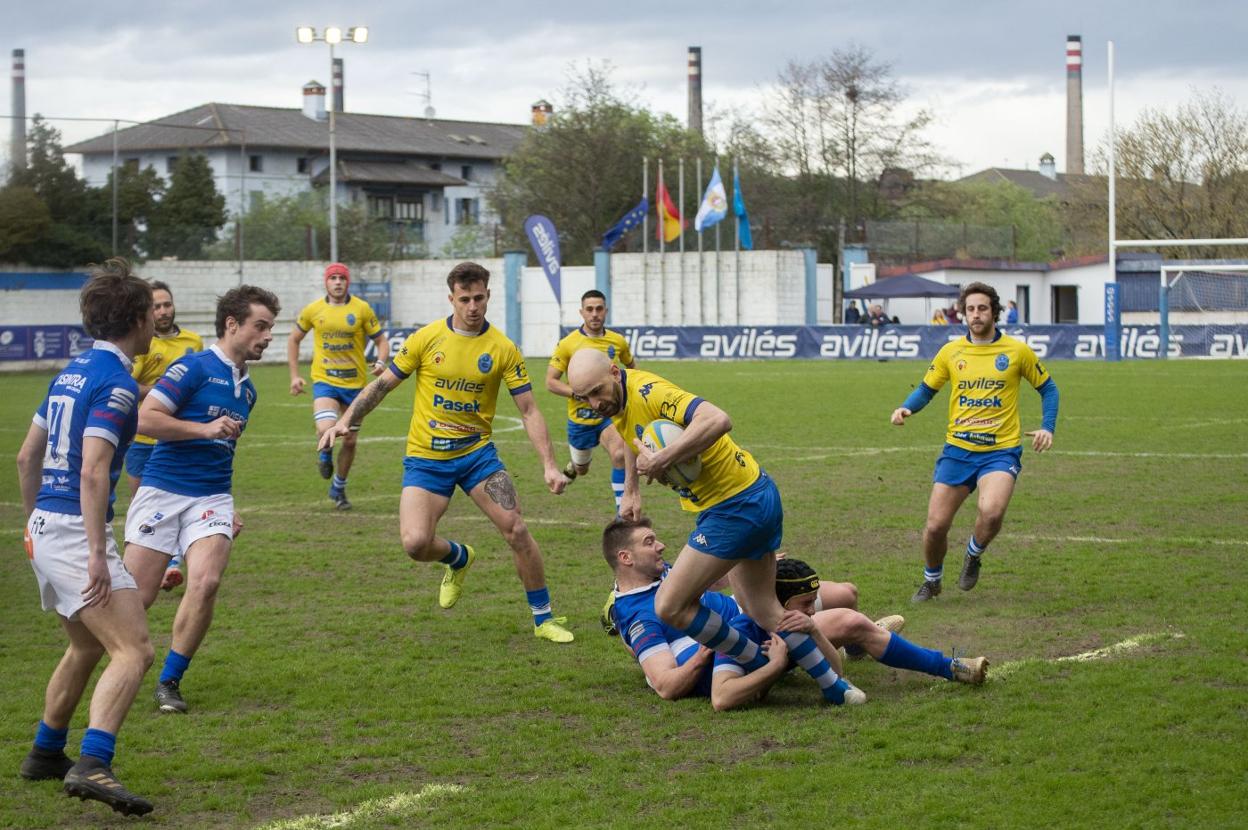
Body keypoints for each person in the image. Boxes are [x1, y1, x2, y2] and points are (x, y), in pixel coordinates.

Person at [567, 350, 858, 705]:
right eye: (585, 398)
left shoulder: (650, 391)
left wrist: (664, 458)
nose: (595, 403)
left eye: (597, 391)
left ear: (616, 371)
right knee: (762, 610)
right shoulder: (620, 402)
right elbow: (633, 437)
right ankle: (835, 687)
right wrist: (631, 489)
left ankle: (754, 662)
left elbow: (718, 419)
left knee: (669, 606)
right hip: (754, 494)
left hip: (733, 506)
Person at [318, 261, 575, 643]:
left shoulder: (503, 348)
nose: (473, 306)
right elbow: (383, 385)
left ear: (488, 296)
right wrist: (347, 419)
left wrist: (550, 466)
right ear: (451, 298)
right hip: (426, 458)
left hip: (477, 457)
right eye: (465, 299)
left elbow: (529, 409)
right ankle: (458, 558)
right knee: (416, 543)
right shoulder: (426, 339)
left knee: (517, 530)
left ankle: (544, 619)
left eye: (479, 298)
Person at [16, 259, 156, 815]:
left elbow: (28, 456)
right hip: (76, 531)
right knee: (134, 649)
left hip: (46, 527)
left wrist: (33, 526)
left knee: (85, 643)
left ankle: (46, 752)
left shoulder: (69, 372)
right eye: (151, 315)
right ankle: (94, 763)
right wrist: (97, 552)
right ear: (138, 319)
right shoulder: (117, 384)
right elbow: (94, 471)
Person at [122, 285, 280, 714]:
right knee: (138, 597)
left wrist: (230, 507)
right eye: (260, 326)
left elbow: (222, 451)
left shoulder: (248, 391)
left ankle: (170, 680)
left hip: (211, 497)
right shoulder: (190, 368)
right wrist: (203, 429)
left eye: (271, 327)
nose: (268, 336)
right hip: (163, 491)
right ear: (232, 324)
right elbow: (146, 417)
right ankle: (112, 664)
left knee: (206, 582)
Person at [891, 281, 1059, 602]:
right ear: (963, 314)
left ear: (994, 311)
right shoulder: (951, 352)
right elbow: (927, 389)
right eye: (970, 309)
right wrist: (906, 407)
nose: (976, 314)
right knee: (936, 526)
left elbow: (1048, 388)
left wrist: (1047, 426)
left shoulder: (1016, 351)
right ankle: (932, 580)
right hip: (958, 451)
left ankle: (973, 554)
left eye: (982, 308)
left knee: (992, 512)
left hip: (1000, 450)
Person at [602, 517, 868, 701]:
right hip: (743, 637)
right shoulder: (640, 618)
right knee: (847, 621)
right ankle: (851, 649)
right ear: (626, 558)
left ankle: (853, 650)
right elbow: (666, 686)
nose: (660, 546)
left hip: (743, 608)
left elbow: (712, 579)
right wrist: (706, 649)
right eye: (649, 542)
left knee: (845, 593)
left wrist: (750, 567)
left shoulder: (659, 572)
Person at [709, 558, 989, 711]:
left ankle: (948, 667)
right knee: (852, 621)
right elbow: (721, 698)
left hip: (788, 648)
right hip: (773, 660)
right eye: (805, 604)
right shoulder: (739, 634)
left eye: (813, 602)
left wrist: (815, 630)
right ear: (780, 604)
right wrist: (775, 666)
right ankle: (869, 639)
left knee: (849, 605)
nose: (811, 610)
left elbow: (836, 674)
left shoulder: (800, 621)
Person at [288, 262, 389, 510]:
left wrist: (380, 361)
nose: (337, 282)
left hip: (355, 385)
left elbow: (381, 341)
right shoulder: (313, 310)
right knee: (325, 428)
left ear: (347, 282)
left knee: (350, 441)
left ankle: (338, 488)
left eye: (341, 278)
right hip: (325, 381)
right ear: (326, 282)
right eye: (332, 278)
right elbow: (294, 339)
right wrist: (294, 376)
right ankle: (324, 455)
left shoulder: (362, 309)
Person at [125, 280, 203, 592]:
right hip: (143, 438)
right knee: (141, 507)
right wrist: (163, 392)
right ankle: (139, 566)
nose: (163, 311)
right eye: (156, 306)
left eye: (167, 304)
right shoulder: (143, 346)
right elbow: (127, 384)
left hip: (178, 437)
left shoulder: (193, 342)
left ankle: (172, 562)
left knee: (182, 500)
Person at [546, 289, 635, 511]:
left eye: (599, 309)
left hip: (609, 415)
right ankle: (573, 467)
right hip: (580, 420)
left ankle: (621, 514)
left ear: (605, 311)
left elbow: (631, 369)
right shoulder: (568, 344)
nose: (594, 314)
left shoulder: (618, 341)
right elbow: (551, 382)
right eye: (589, 309)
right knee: (581, 468)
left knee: (619, 454)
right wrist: (580, 394)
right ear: (582, 312)